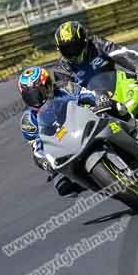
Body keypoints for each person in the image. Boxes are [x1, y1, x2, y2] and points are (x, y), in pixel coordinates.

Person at [52, 20, 138, 123]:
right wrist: (91, 100)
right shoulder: (61, 70)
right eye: (66, 49)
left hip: (118, 83)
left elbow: (122, 53)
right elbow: (67, 95)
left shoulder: (96, 44)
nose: (72, 52)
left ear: (85, 41)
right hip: (95, 103)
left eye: (75, 46)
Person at [18, 66, 100, 197]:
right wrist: (43, 161)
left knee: (115, 108)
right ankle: (96, 183)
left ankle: (134, 129)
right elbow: (37, 146)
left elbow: (89, 95)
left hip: (87, 124)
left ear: (48, 86)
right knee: (62, 186)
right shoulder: (28, 120)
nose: (35, 100)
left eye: (38, 93)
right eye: (29, 96)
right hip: (63, 147)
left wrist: (98, 101)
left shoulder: (67, 88)